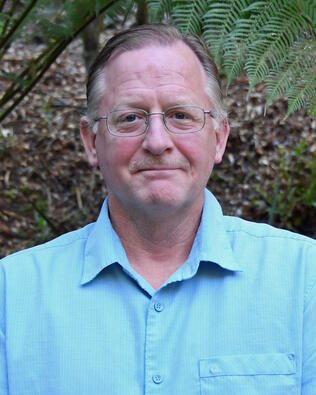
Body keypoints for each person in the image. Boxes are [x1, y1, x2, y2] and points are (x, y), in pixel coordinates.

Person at [0, 23, 315, 395]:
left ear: (219, 137)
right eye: (130, 118)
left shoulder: (304, 280)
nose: (157, 141)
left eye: (181, 115)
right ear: (91, 142)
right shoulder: (12, 295)